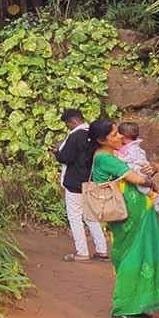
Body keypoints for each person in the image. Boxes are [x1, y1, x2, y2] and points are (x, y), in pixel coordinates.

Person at [88, 118, 159, 318]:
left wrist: (150, 171)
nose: (120, 137)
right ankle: (124, 309)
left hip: (136, 215)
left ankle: (137, 304)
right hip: (127, 217)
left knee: (141, 255)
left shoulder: (114, 154)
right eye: (114, 134)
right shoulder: (106, 158)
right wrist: (150, 178)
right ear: (102, 140)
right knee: (131, 257)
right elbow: (138, 179)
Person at [53, 109, 109, 262]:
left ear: (73, 121)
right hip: (90, 181)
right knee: (91, 217)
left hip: (74, 183)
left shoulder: (75, 135)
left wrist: (57, 152)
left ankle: (82, 252)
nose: (68, 127)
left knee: (75, 217)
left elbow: (66, 157)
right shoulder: (94, 134)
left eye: (68, 124)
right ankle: (102, 251)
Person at [118, 121, 159, 212]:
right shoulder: (132, 146)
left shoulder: (131, 148)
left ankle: (155, 197)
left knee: (141, 186)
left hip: (139, 170)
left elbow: (128, 158)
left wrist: (118, 157)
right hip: (138, 170)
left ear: (123, 136)